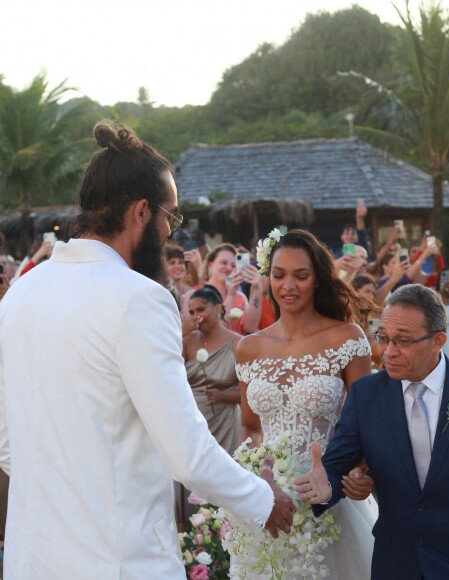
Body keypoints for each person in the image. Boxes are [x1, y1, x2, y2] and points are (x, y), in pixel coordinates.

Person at [0, 121, 294, 579]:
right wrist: (262, 499)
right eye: (169, 216)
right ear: (141, 212)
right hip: (121, 561)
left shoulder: (19, 294)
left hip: (31, 559)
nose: (169, 229)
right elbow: (186, 451)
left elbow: (5, 443)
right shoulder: (139, 298)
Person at [295, 284, 449, 580]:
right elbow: (336, 465)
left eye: (403, 341)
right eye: (383, 338)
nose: (388, 352)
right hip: (395, 564)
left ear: (438, 341)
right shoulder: (365, 395)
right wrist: (327, 487)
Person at [233, 228, 378, 579]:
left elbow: (368, 425)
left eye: (301, 275)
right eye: (279, 275)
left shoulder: (347, 339)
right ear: (268, 278)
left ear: (317, 279)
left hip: (328, 497)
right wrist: (261, 475)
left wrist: (361, 473)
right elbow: (251, 427)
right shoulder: (248, 348)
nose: (289, 286)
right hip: (267, 499)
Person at [183, 285, 242, 455]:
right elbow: (166, 376)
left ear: (217, 309)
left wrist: (223, 396)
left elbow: (252, 393)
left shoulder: (238, 343)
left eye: (201, 309)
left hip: (225, 422)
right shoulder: (187, 341)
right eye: (192, 312)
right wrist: (180, 333)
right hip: (192, 420)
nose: (196, 316)